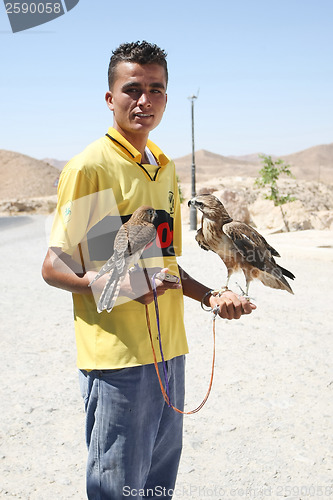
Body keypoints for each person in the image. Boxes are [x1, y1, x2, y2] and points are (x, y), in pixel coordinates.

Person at [42, 41, 256, 500]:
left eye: (155, 89)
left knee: (158, 489)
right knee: (118, 491)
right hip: (118, 362)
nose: (144, 100)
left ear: (166, 97)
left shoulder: (164, 167)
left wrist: (213, 297)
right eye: (132, 88)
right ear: (110, 97)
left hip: (169, 353)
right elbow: (55, 266)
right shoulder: (90, 167)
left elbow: (166, 264)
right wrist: (108, 285)